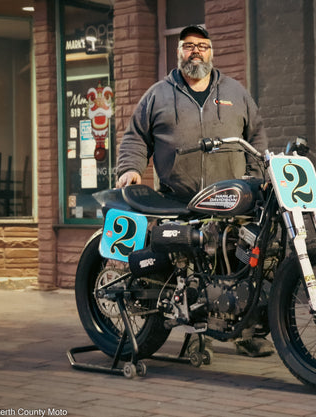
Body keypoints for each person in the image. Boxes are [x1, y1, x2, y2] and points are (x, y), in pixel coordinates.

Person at [116, 25, 273, 357]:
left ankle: (242, 331)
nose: (195, 51)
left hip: (229, 199)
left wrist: (256, 178)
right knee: (188, 270)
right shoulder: (158, 94)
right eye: (188, 46)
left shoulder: (235, 91)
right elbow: (135, 137)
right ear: (179, 53)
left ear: (212, 52)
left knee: (239, 263)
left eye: (202, 45)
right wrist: (130, 168)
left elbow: (256, 135)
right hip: (179, 197)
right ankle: (195, 337)